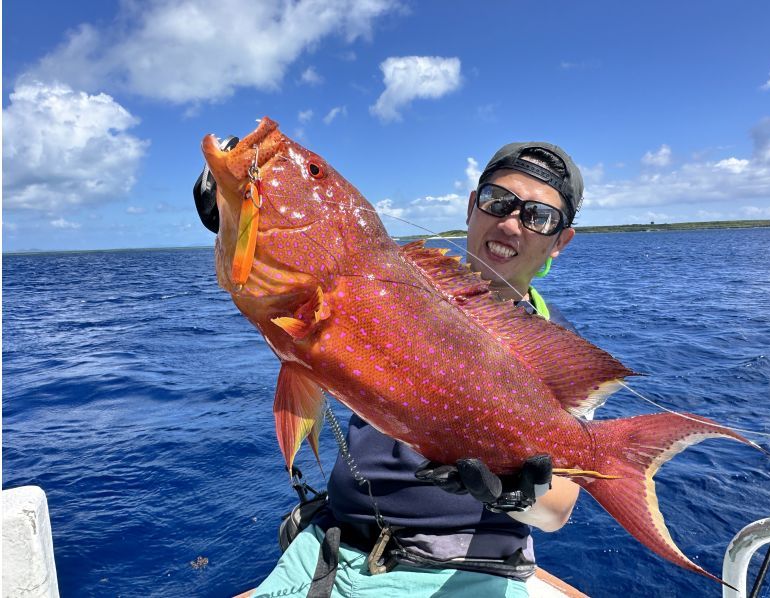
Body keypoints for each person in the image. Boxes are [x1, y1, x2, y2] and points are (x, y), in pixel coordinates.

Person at [195, 139, 586, 597]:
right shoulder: (394, 282)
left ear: (560, 241)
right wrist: (236, 210)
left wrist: (512, 494)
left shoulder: (557, 353)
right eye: (497, 200)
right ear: (471, 207)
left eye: (539, 216)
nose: (510, 223)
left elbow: (558, 511)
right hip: (330, 546)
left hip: (467, 567)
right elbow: (296, 278)